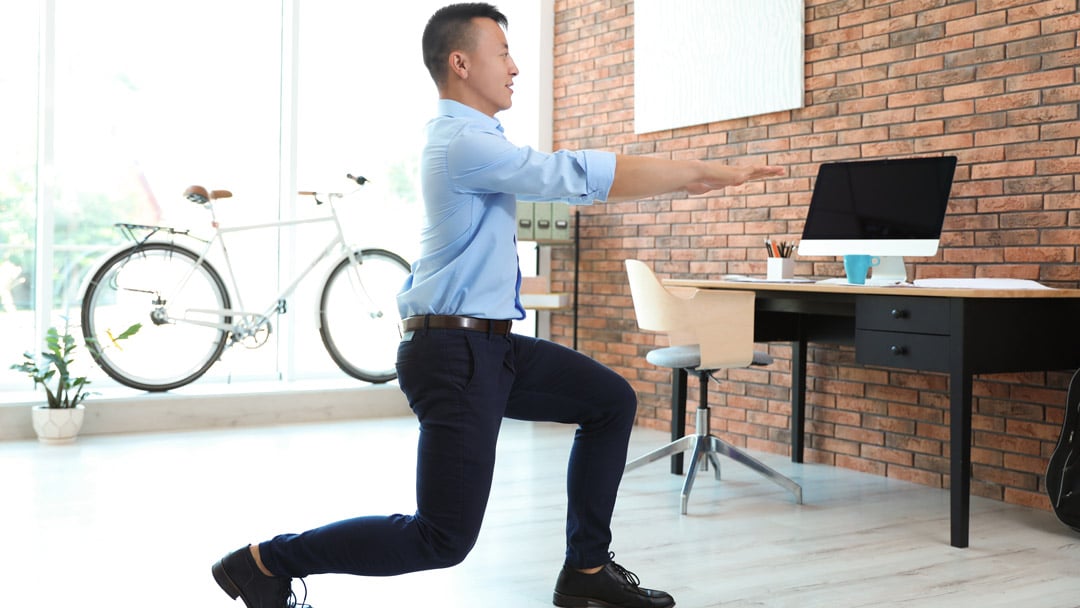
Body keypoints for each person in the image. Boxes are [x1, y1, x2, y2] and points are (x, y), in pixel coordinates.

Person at [210, 4, 784, 607]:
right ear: (460, 63)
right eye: (502, 52)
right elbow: (568, 174)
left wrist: (684, 176)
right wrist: (693, 171)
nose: (514, 67)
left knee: (610, 401)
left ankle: (585, 573)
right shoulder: (462, 143)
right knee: (441, 539)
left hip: (489, 346)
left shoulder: (477, 139)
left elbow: (565, 177)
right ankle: (264, 562)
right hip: (454, 354)